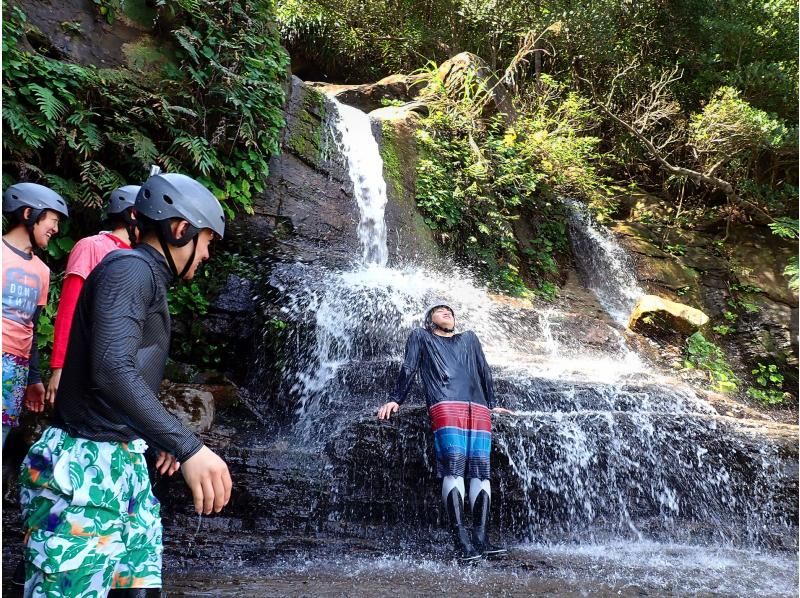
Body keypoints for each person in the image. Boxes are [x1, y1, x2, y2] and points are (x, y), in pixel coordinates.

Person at [18, 173, 233, 597]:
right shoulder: (131, 270)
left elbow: (125, 375)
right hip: (83, 470)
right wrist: (188, 445)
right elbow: (112, 369)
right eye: (206, 240)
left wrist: (159, 437)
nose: (207, 253)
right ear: (179, 229)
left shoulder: (143, 276)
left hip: (122, 465)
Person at [378, 301, 513, 563]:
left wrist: (493, 403)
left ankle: (481, 538)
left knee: (481, 471)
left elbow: (484, 370)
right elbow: (409, 367)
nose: (447, 312)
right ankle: (461, 540)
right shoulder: (421, 336)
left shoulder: (470, 339)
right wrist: (396, 399)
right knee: (454, 466)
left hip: (479, 407)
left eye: (450, 311)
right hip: (446, 402)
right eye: (440, 311)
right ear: (430, 320)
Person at [45, 184, 140, 406]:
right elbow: (69, 308)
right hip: (84, 363)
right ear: (133, 214)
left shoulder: (140, 259)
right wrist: (59, 368)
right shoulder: (92, 247)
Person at [2, 182, 69, 447]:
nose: (56, 229)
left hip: (16, 369)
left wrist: (34, 379)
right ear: (29, 214)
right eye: (52, 220)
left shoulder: (42, 271)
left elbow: (31, 327)